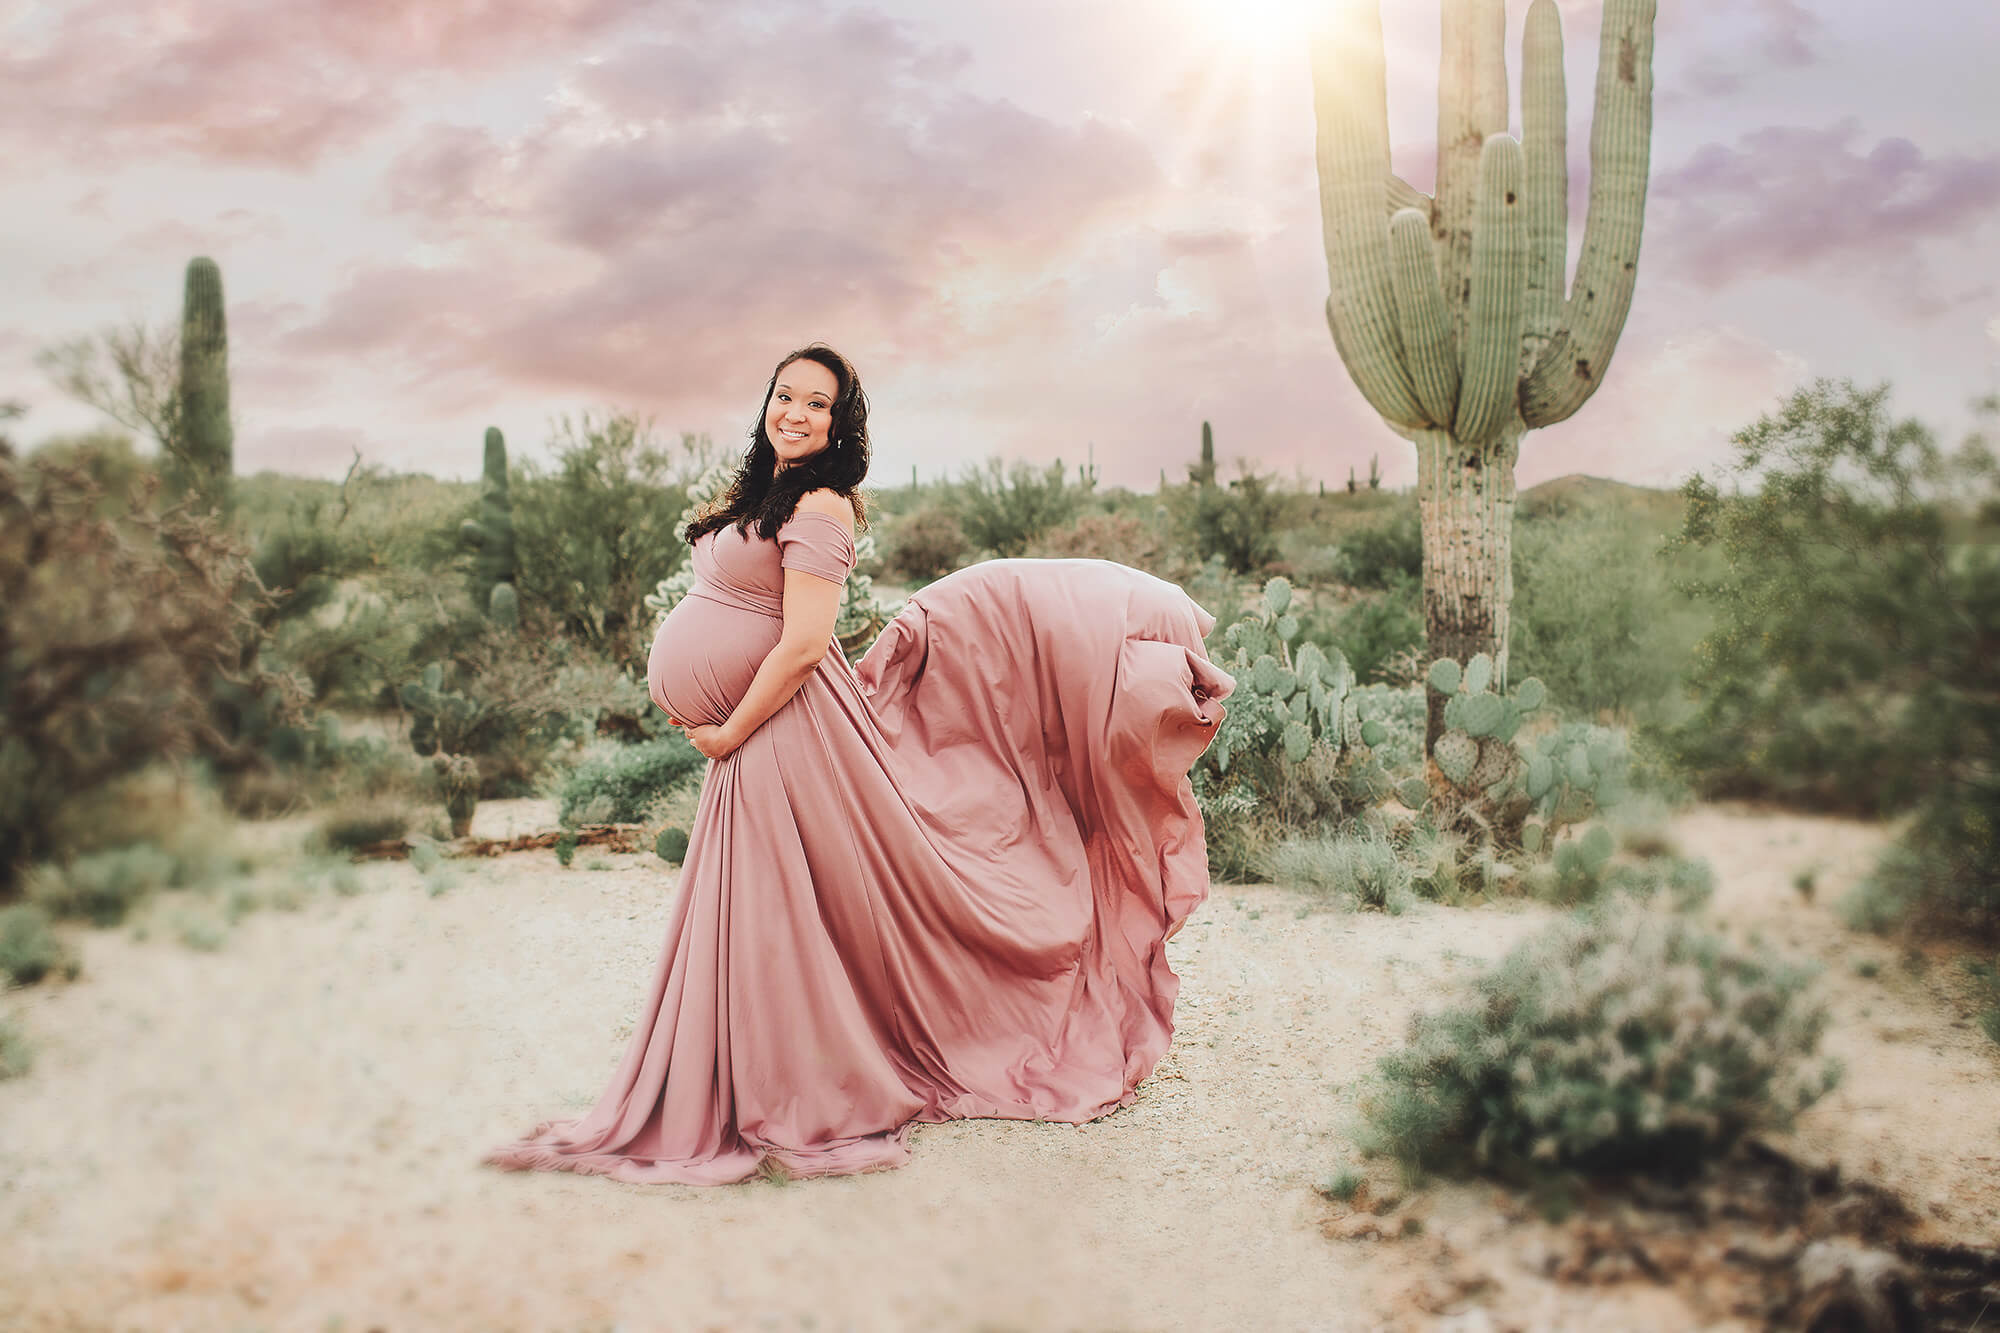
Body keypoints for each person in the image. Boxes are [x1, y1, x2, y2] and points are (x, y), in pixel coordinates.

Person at [483, 342, 1235, 1185]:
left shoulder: (824, 506)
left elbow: (804, 644)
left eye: (817, 404)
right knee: (766, 906)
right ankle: (753, 1068)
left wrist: (728, 731)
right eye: (784, 395)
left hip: (782, 729)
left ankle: (795, 1081)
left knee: (777, 907)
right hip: (761, 729)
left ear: (841, 424)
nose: (795, 413)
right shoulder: (768, 495)